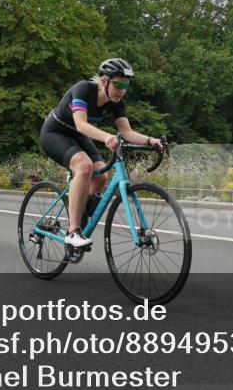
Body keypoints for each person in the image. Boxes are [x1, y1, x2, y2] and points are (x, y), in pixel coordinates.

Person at [40, 58, 164, 248]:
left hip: (79, 137)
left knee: (101, 177)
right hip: (55, 133)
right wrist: (106, 137)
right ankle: (73, 231)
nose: (122, 90)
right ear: (104, 81)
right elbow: (81, 124)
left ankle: (79, 214)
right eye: (119, 84)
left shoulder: (116, 102)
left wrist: (151, 140)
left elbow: (127, 133)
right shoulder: (83, 89)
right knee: (84, 167)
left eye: (126, 85)